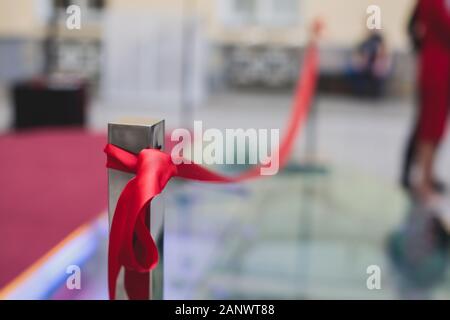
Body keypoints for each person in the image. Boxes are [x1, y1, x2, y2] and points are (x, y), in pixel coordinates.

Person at [408, 0, 450, 204]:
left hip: (441, 66)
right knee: (429, 126)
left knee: (438, 125)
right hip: (436, 67)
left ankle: (429, 175)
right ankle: (423, 180)